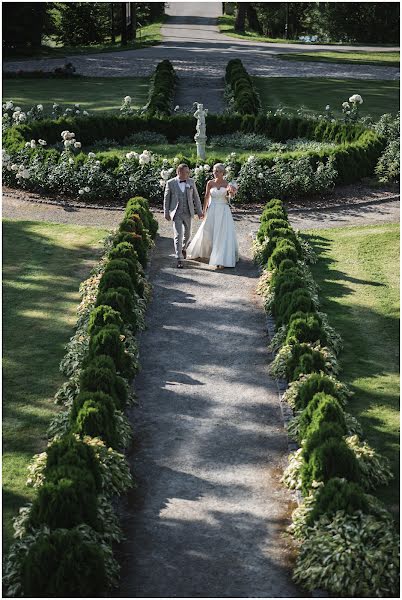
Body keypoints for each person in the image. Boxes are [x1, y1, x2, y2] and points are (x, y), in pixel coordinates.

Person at [186, 163, 239, 269]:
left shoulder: (227, 184)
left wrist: (232, 193)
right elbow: (206, 197)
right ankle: (205, 252)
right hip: (212, 209)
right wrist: (203, 211)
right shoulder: (210, 183)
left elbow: (230, 198)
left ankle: (221, 259)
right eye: (214, 171)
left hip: (223, 211)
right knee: (207, 231)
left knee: (222, 234)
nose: (215, 173)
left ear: (223, 172)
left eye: (217, 171)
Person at [164, 163, 203, 268]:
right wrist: (166, 212)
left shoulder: (191, 182)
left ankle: (183, 248)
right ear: (179, 172)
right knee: (178, 234)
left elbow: (196, 197)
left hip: (188, 212)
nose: (188, 174)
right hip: (176, 213)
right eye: (186, 172)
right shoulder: (170, 183)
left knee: (188, 234)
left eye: (188, 172)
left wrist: (199, 211)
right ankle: (179, 258)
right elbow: (166, 199)